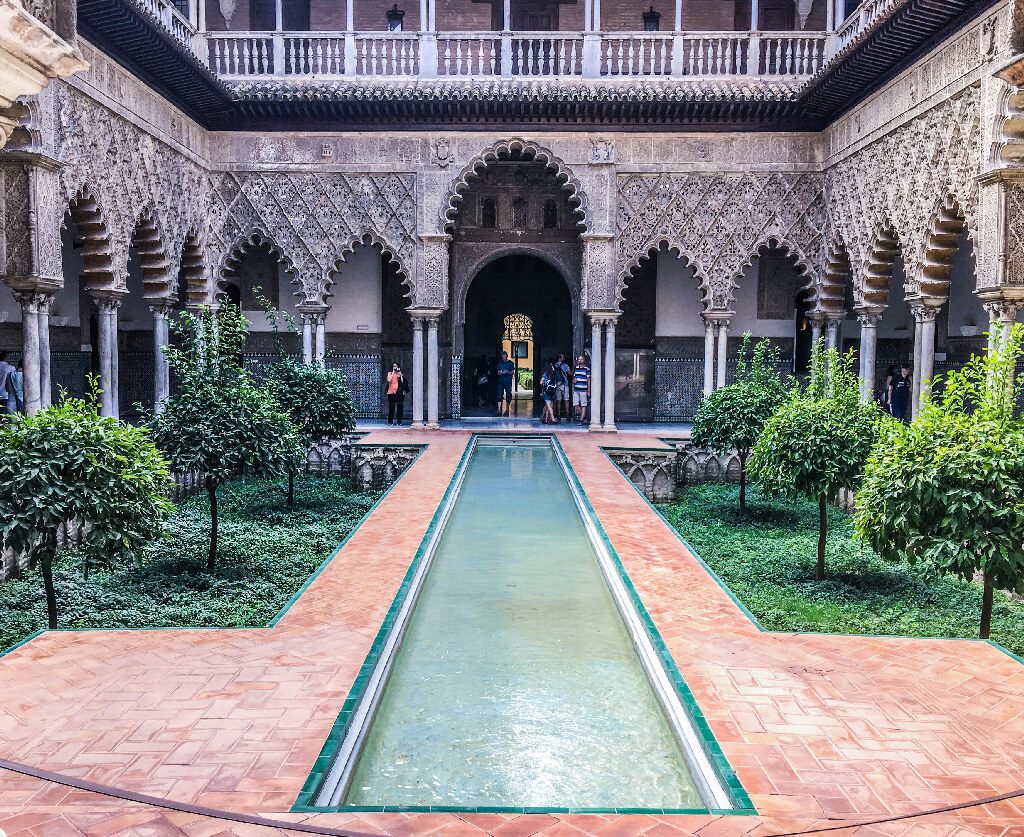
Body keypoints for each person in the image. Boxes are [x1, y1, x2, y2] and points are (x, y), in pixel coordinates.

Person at [572, 354, 591, 424]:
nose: (580, 360)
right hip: (576, 389)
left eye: (581, 359)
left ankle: (581, 419)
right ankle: (584, 417)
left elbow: (589, 380)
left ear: (584, 360)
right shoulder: (576, 368)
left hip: (583, 389)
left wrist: (588, 391)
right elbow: (574, 378)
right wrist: (574, 381)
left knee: (583, 404)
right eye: (579, 359)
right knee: (576, 405)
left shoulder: (587, 369)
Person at [540, 359, 560, 424]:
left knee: (548, 406)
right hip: (552, 392)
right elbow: (558, 382)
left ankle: (552, 419)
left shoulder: (545, 374)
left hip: (546, 392)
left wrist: (544, 385)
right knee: (548, 406)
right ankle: (544, 418)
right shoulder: (554, 373)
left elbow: (541, 382)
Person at [496, 350, 515, 417]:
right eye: (502, 356)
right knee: (499, 395)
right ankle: (498, 410)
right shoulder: (499, 363)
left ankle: (507, 410)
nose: (503, 358)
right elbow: (497, 372)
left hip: (508, 382)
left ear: (506, 356)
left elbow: (512, 372)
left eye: (504, 356)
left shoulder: (511, 363)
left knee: (508, 396)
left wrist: (507, 372)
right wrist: (500, 372)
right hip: (500, 381)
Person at [555, 353, 571, 419]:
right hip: (564, 384)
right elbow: (570, 373)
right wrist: (574, 366)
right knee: (566, 399)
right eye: (563, 357)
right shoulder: (565, 365)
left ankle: (558, 414)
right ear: (560, 358)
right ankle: (567, 414)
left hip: (557, 384)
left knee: (558, 400)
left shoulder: (554, 365)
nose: (564, 358)